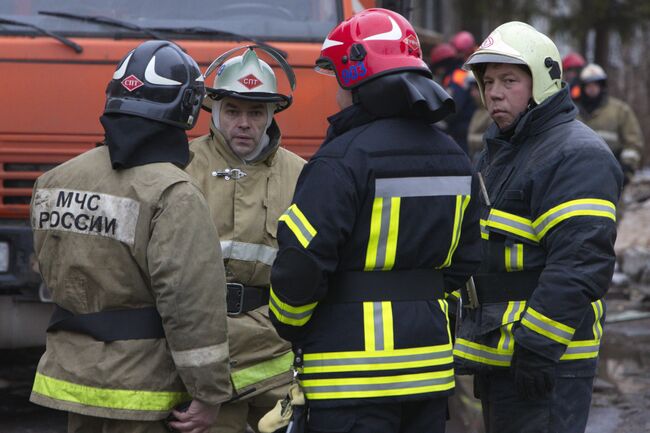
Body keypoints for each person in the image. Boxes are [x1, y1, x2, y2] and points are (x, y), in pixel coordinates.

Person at [269, 8, 481, 433]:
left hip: (349, 381)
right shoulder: (457, 159)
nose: (336, 96)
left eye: (338, 81)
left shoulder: (338, 162)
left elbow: (300, 267)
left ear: (358, 81)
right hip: (428, 373)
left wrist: (291, 325)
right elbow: (471, 256)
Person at [28, 40, 231, 433]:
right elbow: (190, 302)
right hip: (145, 389)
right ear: (186, 108)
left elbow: (51, 268)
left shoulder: (54, 180)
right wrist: (208, 392)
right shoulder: (174, 192)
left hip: (72, 377)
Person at [453, 22, 623, 433]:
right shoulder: (505, 149)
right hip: (502, 358)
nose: (493, 92)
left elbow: (580, 262)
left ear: (542, 81)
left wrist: (538, 347)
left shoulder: (575, 155)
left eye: (509, 80)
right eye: (488, 80)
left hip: (545, 364)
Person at [185, 46, 305, 433]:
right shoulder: (182, 167)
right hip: (204, 351)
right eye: (233, 111)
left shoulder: (303, 174)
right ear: (215, 111)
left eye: (256, 113)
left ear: (271, 115)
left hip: (277, 355)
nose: (244, 123)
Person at [576, 63, 644, 185]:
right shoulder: (573, 112)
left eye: (596, 84)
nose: (592, 88)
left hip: (612, 178)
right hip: (578, 177)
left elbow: (633, 143)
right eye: (588, 85)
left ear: (602, 86)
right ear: (582, 87)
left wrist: (626, 169)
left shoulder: (620, 111)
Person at [429, 39, 476, 154]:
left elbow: (453, 108)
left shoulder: (455, 78)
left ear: (442, 66)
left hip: (461, 130)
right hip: (467, 126)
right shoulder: (460, 73)